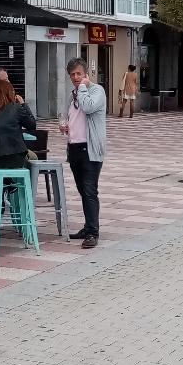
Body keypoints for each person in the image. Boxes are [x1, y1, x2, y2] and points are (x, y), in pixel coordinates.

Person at [60, 59, 106, 248]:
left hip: (91, 149)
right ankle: (88, 227)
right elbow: (69, 114)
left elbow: (88, 107)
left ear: (86, 74)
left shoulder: (97, 91)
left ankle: (93, 233)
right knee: (82, 190)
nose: (76, 77)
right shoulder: (73, 94)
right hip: (75, 148)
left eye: (79, 73)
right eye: (72, 74)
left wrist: (84, 88)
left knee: (89, 190)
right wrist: (64, 124)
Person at [0, 79, 35, 169]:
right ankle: (26, 182)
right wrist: (24, 104)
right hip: (16, 157)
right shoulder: (16, 108)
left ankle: (0, 182)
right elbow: (32, 125)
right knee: (33, 157)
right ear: (9, 92)